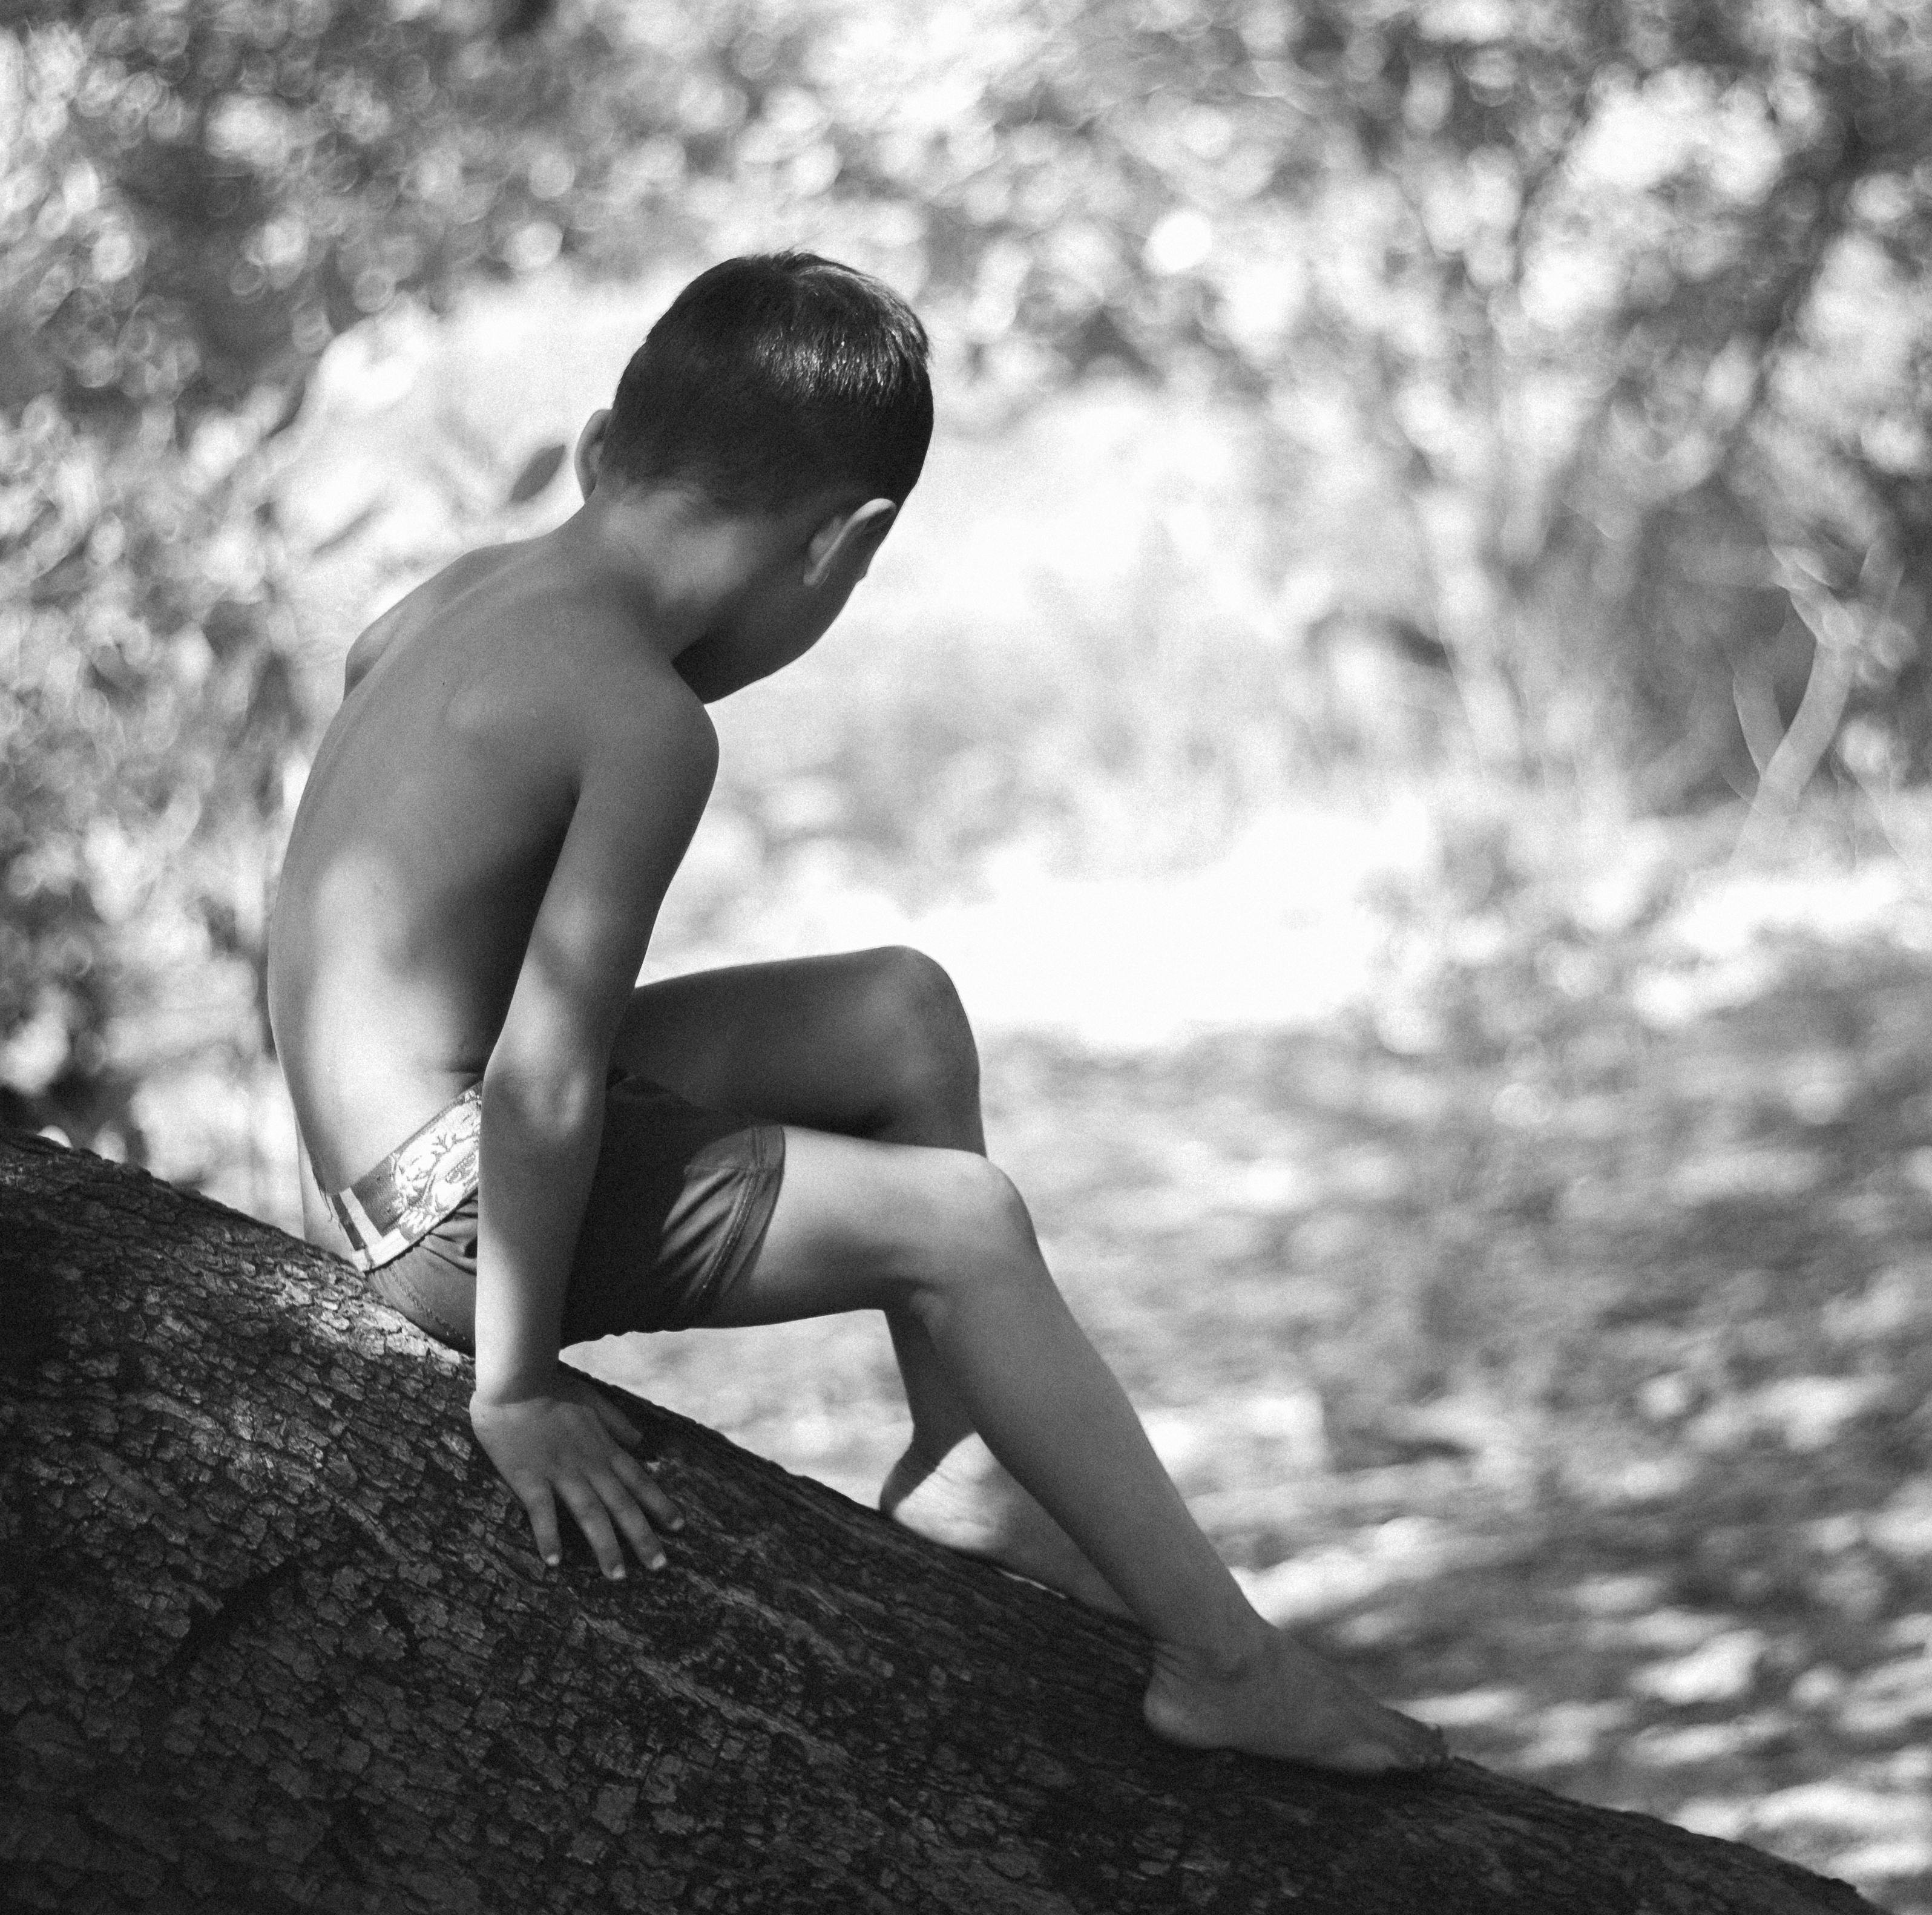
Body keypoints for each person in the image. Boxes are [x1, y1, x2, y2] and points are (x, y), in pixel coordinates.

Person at [266, 252, 1444, 1773]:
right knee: (963, 1223)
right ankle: (1224, 1664)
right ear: (846, 542)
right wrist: (516, 1389)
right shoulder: (642, 721)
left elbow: (379, 909)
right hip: (451, 1212)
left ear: (601, 447)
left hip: (377, 1167)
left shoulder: (439, 604)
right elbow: (543, 1085)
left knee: (902, 1014)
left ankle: (960, 1446)